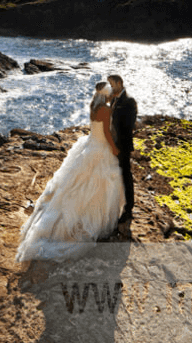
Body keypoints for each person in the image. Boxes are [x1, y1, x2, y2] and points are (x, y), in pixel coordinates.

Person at [14, 82, 125, 262]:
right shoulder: (104, 110)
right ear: (107, 95)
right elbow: (106, 132)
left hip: (89, 145)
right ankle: (95, 224)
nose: (113, 96)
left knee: (78, 186)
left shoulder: (94, 106)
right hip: (100, 149)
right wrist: (115, 149)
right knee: (98, 186)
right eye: (111, 94)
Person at [108, 74, 137, 225]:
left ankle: (129, 209)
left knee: (126, 175)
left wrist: (117, 144)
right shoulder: (114, 99)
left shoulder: (129, 101)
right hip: (113, 144)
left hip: (123, 145)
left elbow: (128, 126)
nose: (111, 88)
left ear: (119, 83)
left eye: (112, 85)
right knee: (115, 174)